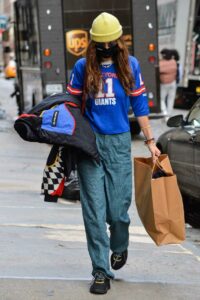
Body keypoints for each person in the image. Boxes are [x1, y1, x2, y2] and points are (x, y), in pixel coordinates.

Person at [67, 12, 161, 294]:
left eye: (110, 42)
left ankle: (119, 246)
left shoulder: (130, 65)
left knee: (118, 211)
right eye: (101, 43)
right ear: (93, 43)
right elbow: (71, 103)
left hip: (119, 142)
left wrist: (151, 141)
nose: (106, 47)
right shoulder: (83, 67)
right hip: (89, 144)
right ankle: (100, 270)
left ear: (119, 41)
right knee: (94, 211)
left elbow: (140, 106)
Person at [159, 48, 179, 119]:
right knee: (171, 99)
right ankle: (169, 114)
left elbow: (159, 70)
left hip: (164, 84)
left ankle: (165, 113)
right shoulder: (173, 61)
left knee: (161, 99)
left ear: (163, 55)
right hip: (173, 83)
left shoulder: (161, 63)